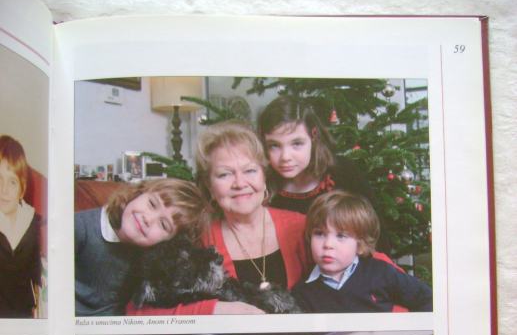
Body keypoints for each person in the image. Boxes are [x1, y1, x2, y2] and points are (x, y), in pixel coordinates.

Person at [128, 121, 308, 316]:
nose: (240, 183)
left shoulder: (302, 227)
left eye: (250, 170)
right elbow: (137, 313)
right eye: (224, 174)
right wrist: (214, 309)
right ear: (209, 186)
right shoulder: (198, 239)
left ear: (264, 176)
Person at [75, 178, 207, 316]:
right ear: (138, 193)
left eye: (163, 224)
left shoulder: (150, 257)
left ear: (169, 243)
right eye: (152, 204)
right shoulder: (80, 227)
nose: (148, 219)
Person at [292, 190, 433, 312]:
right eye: (319, 234)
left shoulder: (381, 273)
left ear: (360, 243)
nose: (328, 244)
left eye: (341, 236)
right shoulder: (302, 293)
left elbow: (428, 300)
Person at [0, 135, 42, 318]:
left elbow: (36, 270)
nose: (4, 190)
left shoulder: (32, 222)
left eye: (12, 182)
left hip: (24, 315)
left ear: (22, 190)